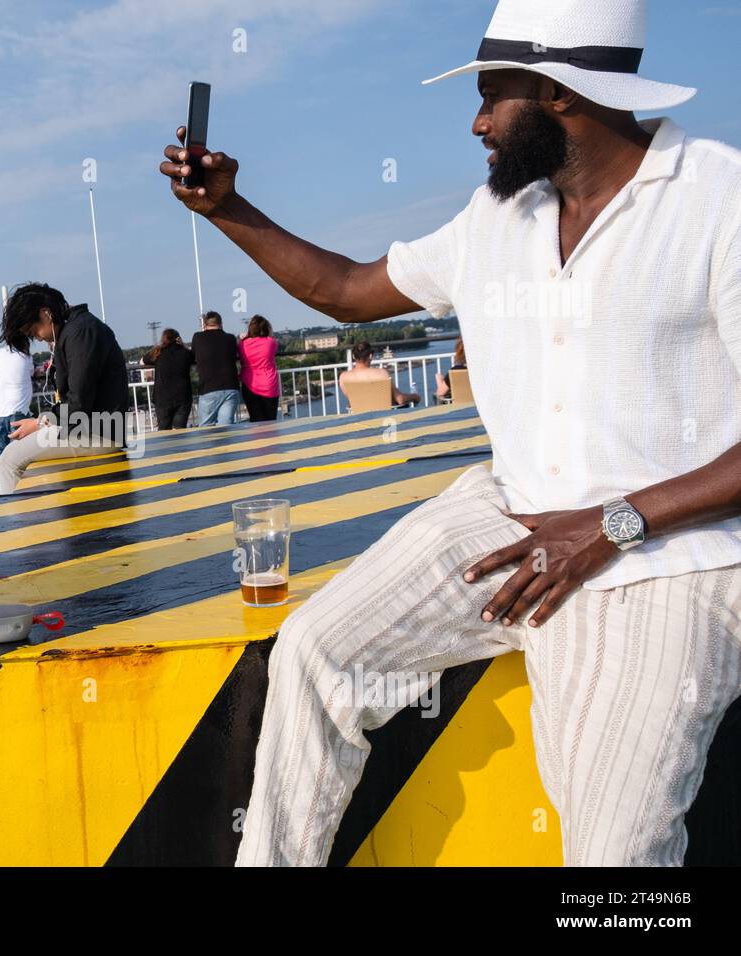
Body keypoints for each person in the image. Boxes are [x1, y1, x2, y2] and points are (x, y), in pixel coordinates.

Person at [161, 0, 741, 866]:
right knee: (317, 652)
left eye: (491, 96)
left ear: (556, 93)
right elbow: (351, 290)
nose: (476, 122)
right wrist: (227, 208)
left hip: (666, 555)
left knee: (616, 858)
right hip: (509, 517)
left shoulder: (718, 200)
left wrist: (608, 524)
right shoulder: (496, 218)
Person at [0, 282, 130, 494]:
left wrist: (41, 423)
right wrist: (40, 422)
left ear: (46, 313)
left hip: (98, 434)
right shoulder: (77, 329)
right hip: (96, 429)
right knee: (17, 456)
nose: (37, 337)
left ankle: (18, 525)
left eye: (34, 330)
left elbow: (79, 404)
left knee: (8, 461)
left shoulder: (80, 333)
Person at [0, 339, 34, 495]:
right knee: (18, 449)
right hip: (18, 409)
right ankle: (19, 483)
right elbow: (32, 372)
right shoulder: (26, 357)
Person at [191, 310, 241, 426]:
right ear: (221, 324)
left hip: (209, 388)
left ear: (205, 325)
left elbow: (193, 355)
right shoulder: (230, 338)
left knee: (206, 428)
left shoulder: (197, 337)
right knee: (226, 427)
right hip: (230, 386)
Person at [339, 339, 421, 409]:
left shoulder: (343, 377)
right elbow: (400, 400)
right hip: (385, 418)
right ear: (370, 356)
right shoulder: (382, 373)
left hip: (360, 420)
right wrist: (415, 396)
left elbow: (354, 401)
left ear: (353, 356)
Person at [142, 327, 194, 430]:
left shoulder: (157, 352)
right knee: (181, 430)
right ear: (178, 338)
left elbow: (142, 361)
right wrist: (182, 344)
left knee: (164, 431)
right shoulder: (185, 353)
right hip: (183, 396)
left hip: (162, 398)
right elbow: (193, 356)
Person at [237, 315, 280, 422]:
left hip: (249, 384)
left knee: (255, 420)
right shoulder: (271, 342)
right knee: (271, 420)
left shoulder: (241, 345)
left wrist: (245, 336)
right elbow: (271, 336)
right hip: (268, 384)